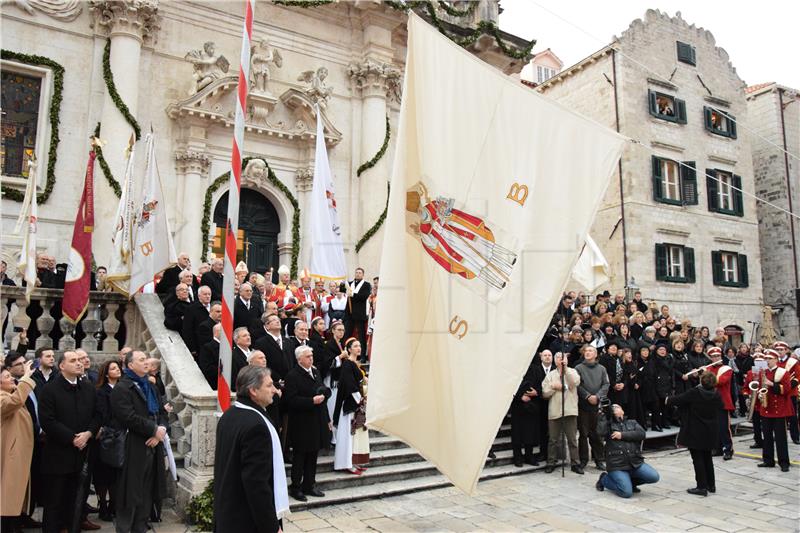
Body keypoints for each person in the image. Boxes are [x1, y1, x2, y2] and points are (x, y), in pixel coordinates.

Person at [214, 366, 288, 533]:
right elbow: (256, 484)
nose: (274, 390)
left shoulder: (229, 415)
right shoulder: (256, 426)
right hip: (247, 520)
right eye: (269, 386)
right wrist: (272, 526)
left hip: (228, 513)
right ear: (253, 390)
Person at [38, 351, 100, 532]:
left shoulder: (88, 388)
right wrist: (72, 438)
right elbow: (47, 420)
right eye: (73, 361)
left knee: (76, 501)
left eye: (80, 360)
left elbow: (98, 414)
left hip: (82, 454)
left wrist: (88, 433)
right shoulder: (50, 389)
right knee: (54, 502)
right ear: (62, 366)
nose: (79, 363)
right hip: (57, 455)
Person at [111, 350, 168, 533]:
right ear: (130, 365)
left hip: (153, 444)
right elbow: (128, 416)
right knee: (130, 492)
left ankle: (140, 527)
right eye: (141, 360)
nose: (146, 363)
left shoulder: (150, 386)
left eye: (146, 359)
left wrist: (160, 430)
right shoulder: (122, 388)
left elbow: (161, 412)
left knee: (147, 491)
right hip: (133, 445)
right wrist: (153, 429)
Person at [283, 345, 329, 502]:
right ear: (299, 359)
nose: (311, 358)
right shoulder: (292, 375)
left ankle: (310, 485)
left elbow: (322, 391)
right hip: (301, 423)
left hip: (316, 421)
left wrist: (327, 419)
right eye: (308, 356)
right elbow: (290, 400)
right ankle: (296, 487)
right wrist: (311, 401)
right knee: (300, 457)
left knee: (313, 455)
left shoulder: (315, 372)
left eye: (311, 355)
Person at [667, 371, 723, 496]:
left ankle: (701, 487)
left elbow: (678, 400)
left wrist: (667, 399)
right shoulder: (716, 394)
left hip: (695, 430)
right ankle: (711, 484)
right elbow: (720, 406)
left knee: (697, 458)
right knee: (707, 457)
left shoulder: (695, 392)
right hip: (710, 430)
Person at [1, 360, 36, 533]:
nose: (12, 379)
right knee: (9, 493)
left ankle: (15, 523)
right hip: (10, 452)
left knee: (15, 493)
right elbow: (13, 403)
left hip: (18, 451)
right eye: (7, 377)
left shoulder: (11, 393)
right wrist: (26, 378)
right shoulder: (3, 397)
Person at [595, 403, 659, 498]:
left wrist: (622, 435)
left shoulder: (632, 422)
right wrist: (603, 415)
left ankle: (630, 482)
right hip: (617, 465)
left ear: (622, 411)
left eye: (617, 407)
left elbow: (641, 434)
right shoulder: (608, 425)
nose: (614, 409)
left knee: (654, 477)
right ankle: (604, 479)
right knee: (626, 493)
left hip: (635, 463)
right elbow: (600, 432)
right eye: (612, 408)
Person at [541, 351, 582, 474]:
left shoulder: (573, 371)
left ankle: (575, 463)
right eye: (558, 358)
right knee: (553, 439)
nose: (560, 359)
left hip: (570, 410)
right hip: (555, 410)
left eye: (563, 357)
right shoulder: (550, 375)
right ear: (555, 361)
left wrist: (565, 375)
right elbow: (545, 392)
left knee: (572, 439)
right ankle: (551, 462)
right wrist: (555, 387)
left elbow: (574, 383)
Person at [332, 338, 365, 475]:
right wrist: (360, 400)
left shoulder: (355, 364)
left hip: (355, 403)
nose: (359, 348)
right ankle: (345, 463)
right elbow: (349, 384)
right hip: (349, 403)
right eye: (355, 346)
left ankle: (352, 461)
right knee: (347, 434)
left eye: (359, 345)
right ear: (349, 349)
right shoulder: (347, 364)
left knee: (353, 435)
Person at [94, 360, 122, 522]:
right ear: (106, 373)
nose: (117, 370)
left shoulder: (124, 388)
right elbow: (103, 413)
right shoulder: (101, 391)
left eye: (118, 367)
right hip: (106, 436)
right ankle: (102, 504)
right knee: (104, 474)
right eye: (113, 368)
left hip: (121, 435)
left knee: (116, 474)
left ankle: (114, 504)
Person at [756, 349, 793, 471]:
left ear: (776, 359)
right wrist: (760, 395)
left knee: (780, 437)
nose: (767, 361)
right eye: (766, 359)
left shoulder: (783, 372)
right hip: (766, 408)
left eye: (770, 359)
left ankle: (784, 462)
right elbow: (760, 388)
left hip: (779, 410)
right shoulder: (763, 372)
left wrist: (771, 384)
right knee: (766, 437)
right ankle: (768, 460)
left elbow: (786, 390)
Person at [575, 345, 609, 470]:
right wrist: (588, 396)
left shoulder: (602, 369)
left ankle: (599, 460)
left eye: (590, 351)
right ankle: (583, 460)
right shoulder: (578, 368)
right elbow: (577, 385)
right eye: (586, 351)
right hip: (583, 405)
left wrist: (597, 396)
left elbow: (606, 384)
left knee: (597, 434)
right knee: (583, 434)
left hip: (597, 406)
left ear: (595, 354)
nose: (588, 352)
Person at [510, 355, 542, 467]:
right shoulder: (514, 368)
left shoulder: (536, 369)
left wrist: (536, 392)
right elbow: (509, 386)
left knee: (530, 433)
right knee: (517, 433)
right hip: (518, 406)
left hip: (532, 405)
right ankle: (517, 458)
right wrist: (520, 397)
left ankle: (529, 456)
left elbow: (542, 385)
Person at [707, 346, 734, 460]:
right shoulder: (708, 369)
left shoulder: (726, 368)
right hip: (710, 402)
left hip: (723, 402)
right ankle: (717, 449)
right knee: (714, 427)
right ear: (710, 358)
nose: (716, 358)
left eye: (717, 356)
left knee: (724, 428)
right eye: (713, 357)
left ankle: (728, 449)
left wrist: (705, 374)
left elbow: (720, 382)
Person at [345, 268, 371, 356]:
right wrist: (342, 283)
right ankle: (347, 353)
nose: (358, 274)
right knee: (347, 334)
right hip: (349, 313)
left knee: (361, 336)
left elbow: (364, 296)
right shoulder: (349, 284)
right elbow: (341, 290)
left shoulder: (366, 285)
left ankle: (362, 355)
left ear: (363, 275)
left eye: (360, 273)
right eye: (356, 272)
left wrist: (353, 294)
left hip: (360, 314)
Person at [182, 285, 212, 357]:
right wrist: (192, 348)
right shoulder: (191, 309)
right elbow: (187, 329)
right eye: (205, 294)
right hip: (199, 345)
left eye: (209, 294)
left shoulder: (215, 306)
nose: (207, 296)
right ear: (199, 296)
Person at [199, 323, 222, 390]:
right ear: (217, 332)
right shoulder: (207, 348)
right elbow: (207, 368)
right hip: (215, 384)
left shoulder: (230, 347)